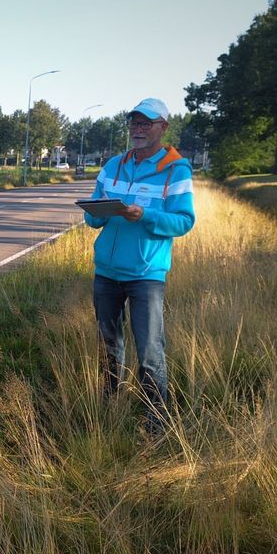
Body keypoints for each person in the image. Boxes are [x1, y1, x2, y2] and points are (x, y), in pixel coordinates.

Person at [84, 98, 195, 434]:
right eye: (134, 123)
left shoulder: (176, 170)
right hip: (107, 271)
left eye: (146, 123)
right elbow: (92, 219)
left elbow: (184, 221)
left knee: (149, 351)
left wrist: (144, 216)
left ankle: (156, 421)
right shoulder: (113, 165)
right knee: (107, 344)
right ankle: (109, 403)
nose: (138, 130)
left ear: (163, 127)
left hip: (146, 275)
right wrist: (95, 211)